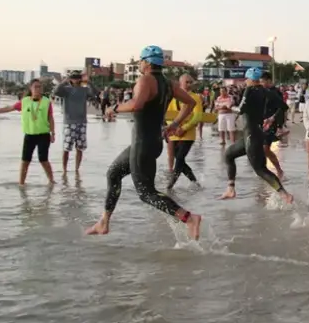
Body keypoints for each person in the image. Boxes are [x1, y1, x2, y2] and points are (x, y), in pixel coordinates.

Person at [85, 46, 202, 239]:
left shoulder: (145, 80)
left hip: (143, 143)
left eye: (140, 60)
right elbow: (191, 103)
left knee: (146, 193)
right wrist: (174, 124)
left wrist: (113, 108)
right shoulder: (169, 84)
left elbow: (136, 104)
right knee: (113, 174)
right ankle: (103, 223)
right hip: (153, 142)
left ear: (147, 62)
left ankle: (189, 218)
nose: (139, 64)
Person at [220, 67, 293, 202]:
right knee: (229, 154)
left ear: (249, 79)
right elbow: (284, 106)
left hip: (251, 134)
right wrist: (272, 118)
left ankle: (285, 194)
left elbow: (241, 110)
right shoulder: (266, 91)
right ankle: (230, 189)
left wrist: (230, 106)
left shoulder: (249, 90)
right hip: (256, 133)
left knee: (260, 170)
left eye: (246, 79)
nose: (246, 81)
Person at [0, 78, 56, 185]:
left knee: (43, 159)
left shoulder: (46, 102)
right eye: (35, 87)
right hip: (29, 135)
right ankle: (21, 183)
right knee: (25, 160)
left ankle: (51, 181)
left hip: (43, 135)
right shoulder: (25, 101)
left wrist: (53, 133)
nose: (38, 89)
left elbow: (50, 118)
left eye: (40, 87)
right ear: (31, 88)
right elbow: (9, 108)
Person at [165, 73, 204, 189]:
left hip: (188, 134)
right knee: (178, 159)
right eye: (187, 82)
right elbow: (167, 115)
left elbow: (197, 117)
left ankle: (170, 185)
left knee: (180, 157)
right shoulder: (172, 97)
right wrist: (172, 127)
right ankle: (195, 182)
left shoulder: (196, 97)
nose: (189, 84)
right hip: (173, 133)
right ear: (180, 83)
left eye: (191, 82)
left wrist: (183, 128)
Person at [53, 70, 96, 175]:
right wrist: (64, 81)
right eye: (73, 77)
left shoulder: (84, 90)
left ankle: (77, 170)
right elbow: (56, 91)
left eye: (77, 77)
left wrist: (89, 82)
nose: (76, 79)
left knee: (80, 148)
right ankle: (64, 170)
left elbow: (95, 93)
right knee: (66, 148)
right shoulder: (66, 90)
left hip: (81, 121)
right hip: (69, 121)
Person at [259, 72, 287, 177]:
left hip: (271, 123)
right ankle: (263, 170)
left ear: (268, 81)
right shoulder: (262, 91)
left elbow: (282, 108)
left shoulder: (275, 92)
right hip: (261, 122)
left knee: (265, 148)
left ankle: (279, 170)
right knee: (261, 149)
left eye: (262, 81)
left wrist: (275, 120)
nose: (261, 84)